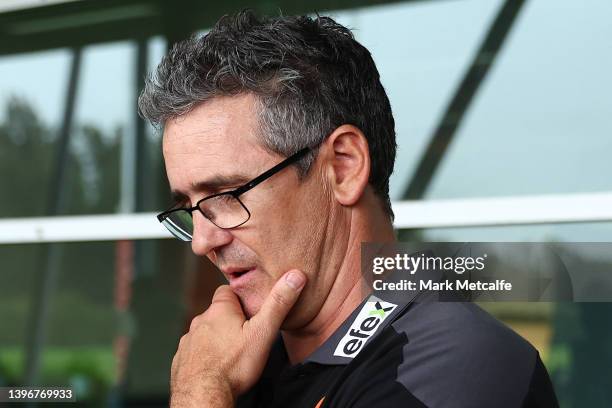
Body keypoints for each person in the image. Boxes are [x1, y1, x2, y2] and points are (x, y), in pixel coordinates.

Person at [138, 10, 558, 408]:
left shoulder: (450, 366)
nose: (203, 242)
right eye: (190, 209)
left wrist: (201, 388)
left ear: (343, 167)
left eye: (227, 195)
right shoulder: (247, 361)